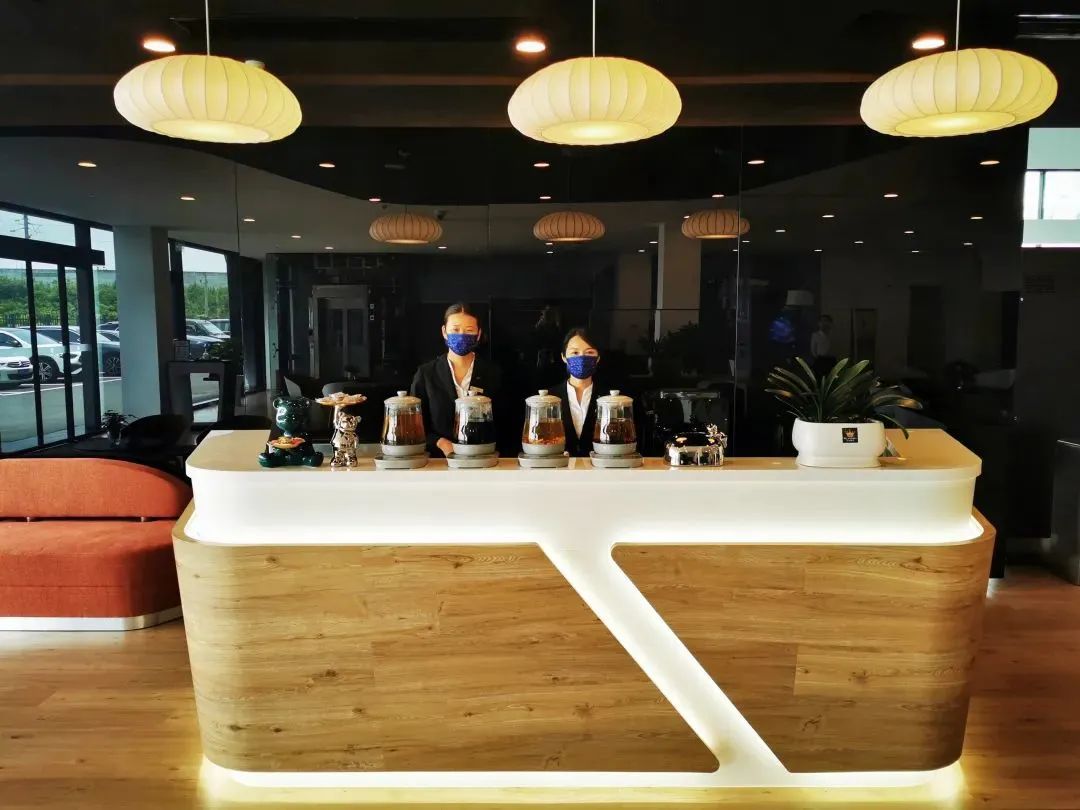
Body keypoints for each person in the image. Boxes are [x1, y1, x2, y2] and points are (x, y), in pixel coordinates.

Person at [410, 303, 502, 458]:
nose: (461, 335)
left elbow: (505, 423)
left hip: (485, 459)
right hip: (438, 462)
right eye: (455, 330)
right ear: (444, 332)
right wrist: (440, 443)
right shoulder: (426, 374)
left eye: (469, 330)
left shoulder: (493, 374)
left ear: (479, 334)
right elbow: (413, 424)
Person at [548, 327, 603, 457]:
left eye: (589, 352)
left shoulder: (609, 399)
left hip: (600, 466)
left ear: (598, 358)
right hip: (558, 466)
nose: (582, 358)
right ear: (564, 357)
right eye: (575, 352)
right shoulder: (549, 398)